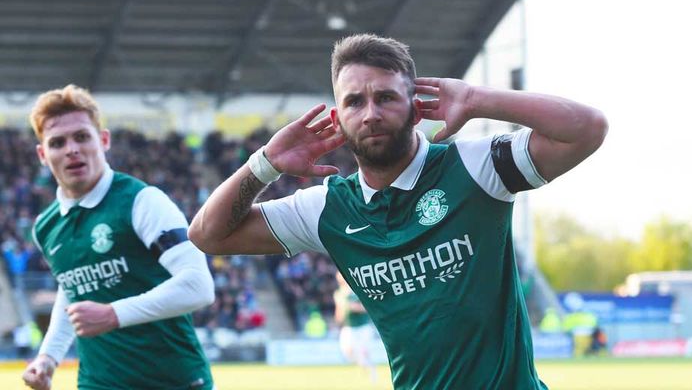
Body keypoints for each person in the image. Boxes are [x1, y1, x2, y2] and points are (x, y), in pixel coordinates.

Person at [189, 33, 608, 389]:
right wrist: (266, 163)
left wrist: (478, 99)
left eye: (386, 97)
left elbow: (587, 129)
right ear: (338, 118)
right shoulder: (328, 208)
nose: (370, 113)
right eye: (354, 102)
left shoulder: (475, 168)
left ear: (415, 105)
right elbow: (208, 235)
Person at [22, 85, 215, 390]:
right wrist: (48, 356)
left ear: (104, 140)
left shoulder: (142, 201)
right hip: (97, 383)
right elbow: (72, 289)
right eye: (58, 142)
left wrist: (113, 314)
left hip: (172, 382)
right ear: (43, 155)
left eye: (82, 137)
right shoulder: (45, 226)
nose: (72, 149)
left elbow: (199, 286)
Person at [333, 271, 377, 381]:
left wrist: (354, 307)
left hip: (363, 326)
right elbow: (339, 310)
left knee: (363, 350)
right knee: (347, 351)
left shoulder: (357, 290)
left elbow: (368, 307)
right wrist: (338, 320)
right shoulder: (339, 293)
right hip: (348, 327)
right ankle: (363, 364)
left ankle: (371, 371)